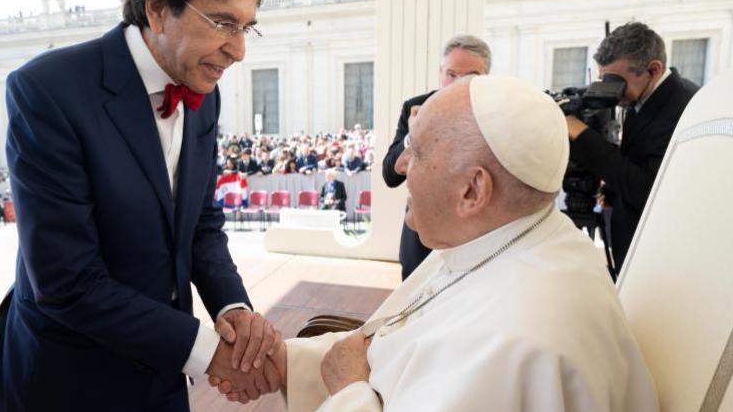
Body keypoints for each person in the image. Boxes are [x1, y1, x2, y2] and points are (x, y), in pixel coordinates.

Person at [0, 0, 282, 411]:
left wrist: (233, 309)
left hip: (161, 371)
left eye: (247, 27)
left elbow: (200, 222)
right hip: (67, 377)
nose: (239, 50)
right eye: (223, 23)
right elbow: (65, 282)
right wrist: (208, 353)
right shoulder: (48, 90)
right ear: (158, 9)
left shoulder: (205, 91)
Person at [211, 75, 659, 411]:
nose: (401, 164)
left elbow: (363, 372)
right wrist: (286, 362)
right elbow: (390, 347)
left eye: (418, 150)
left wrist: (348, 391)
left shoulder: (516, 343)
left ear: (472, 191)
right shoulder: (498, 240)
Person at [567, 22, 698, 279]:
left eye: (616, 82)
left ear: (653, 69)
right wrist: (613, 191)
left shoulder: (681, 107)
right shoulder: (646, 96)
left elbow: (646, 189)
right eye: (604, 79)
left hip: (656, 256)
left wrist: (581, 136)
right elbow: (640, 157)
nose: (611, 92)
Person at [382, 34, 491, 280]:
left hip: (475, 234)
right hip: (421, 234)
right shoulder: (417, 106)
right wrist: (414, 134)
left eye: (470, 75)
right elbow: (389, 175)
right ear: (441, 73)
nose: (457, 83)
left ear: (486, 77)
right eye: (451, 74)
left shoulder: (496, 111)